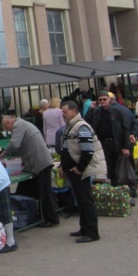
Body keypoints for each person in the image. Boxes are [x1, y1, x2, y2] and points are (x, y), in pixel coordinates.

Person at [0, 114, 61, 228]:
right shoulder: (23, 124)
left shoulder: (18, 125)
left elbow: (15, 143)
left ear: (9, 122)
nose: (7, 130)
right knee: (32, 189)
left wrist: (4, 154)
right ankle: (34, 215)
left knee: (44, 192)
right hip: (38, 161)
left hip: (40, 162)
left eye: (5, 127)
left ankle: (51, 219)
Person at [60, 100, 106, 243]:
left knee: (86, 200)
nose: (63, 114)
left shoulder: (81, 127)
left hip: (80, 170)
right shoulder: (70, 126)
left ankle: (92, 232)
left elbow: (87, 151)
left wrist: (80, 168)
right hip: (74, 169)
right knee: (81, 199)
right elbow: (67, 147)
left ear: (74, 111)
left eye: (65, 111)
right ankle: (84, 228)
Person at [86, 93, 130, 185]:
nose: (102, 101)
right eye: (100, 100)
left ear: (109, 99)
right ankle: (112, 188)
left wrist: (126, 146)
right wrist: (91, 109)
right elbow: (87, 122)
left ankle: (123, 188)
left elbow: (125, 128)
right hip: (102, 144)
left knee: (119, 168)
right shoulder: (96, 112)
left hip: (116, 143)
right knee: (107, 168)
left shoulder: (117, 111)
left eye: (104, 99)